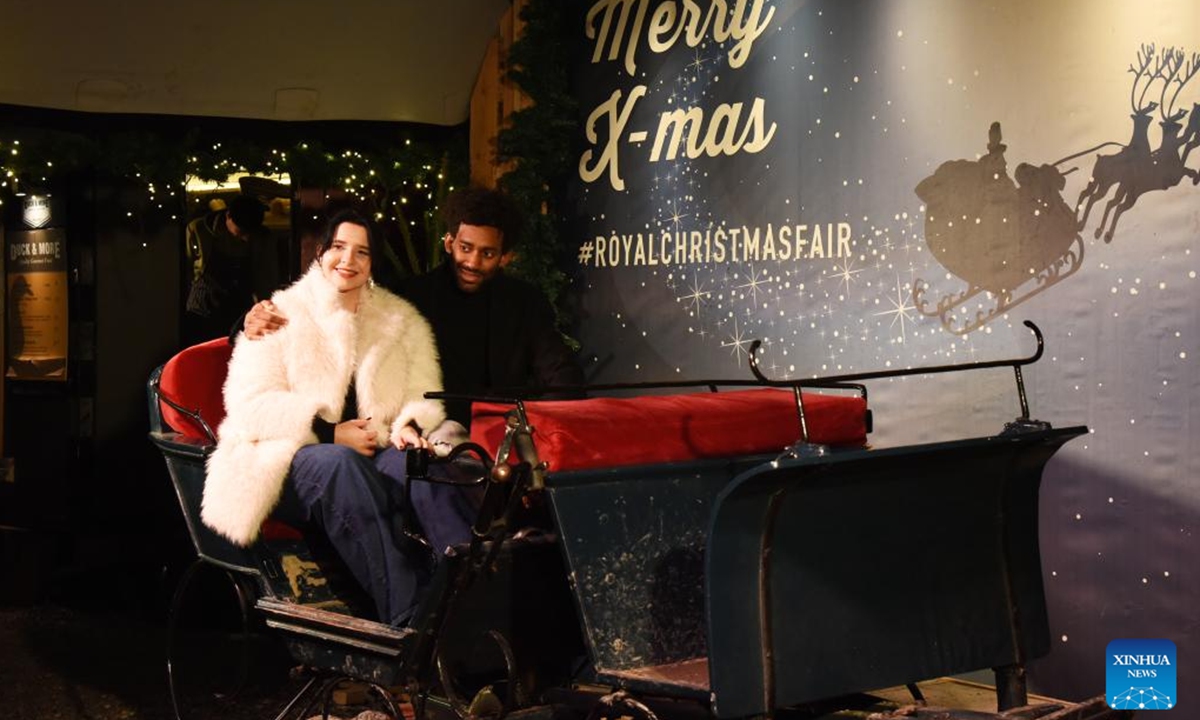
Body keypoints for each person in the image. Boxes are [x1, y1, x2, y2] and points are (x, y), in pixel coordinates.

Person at [201, 210, 456, 627]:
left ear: (373, 263)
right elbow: (249, 404)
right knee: (339, 464)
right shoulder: (280, 313)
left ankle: (466, 603)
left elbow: (422, 393)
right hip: (283, 461)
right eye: (338, 247)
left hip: (375, 451)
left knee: (422, 466)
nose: (348, 260)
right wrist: (328, 432)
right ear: (320, 252)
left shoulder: (401, 320)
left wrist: (410, 426)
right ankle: (412, 621)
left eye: (362, 252)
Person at [243, 186, 585, 426]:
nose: (473, 261)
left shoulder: (526, 302)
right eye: (465, 248)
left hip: (506, 429)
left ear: (505, 257)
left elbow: (560, 372)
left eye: (488, 253)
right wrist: (248, 323)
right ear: (449, 243)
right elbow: (334, 313)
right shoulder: (411, 296)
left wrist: (549, 422)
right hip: (433, 429)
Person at [185, 194, 282, 345]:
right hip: (202, 307)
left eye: (251, 233)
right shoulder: (198, 230)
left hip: (238, 309)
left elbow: (266, 275)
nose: (246, 238)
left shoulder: (263, 238)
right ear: (228, 216)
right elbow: (187, 266)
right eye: (242, 232)